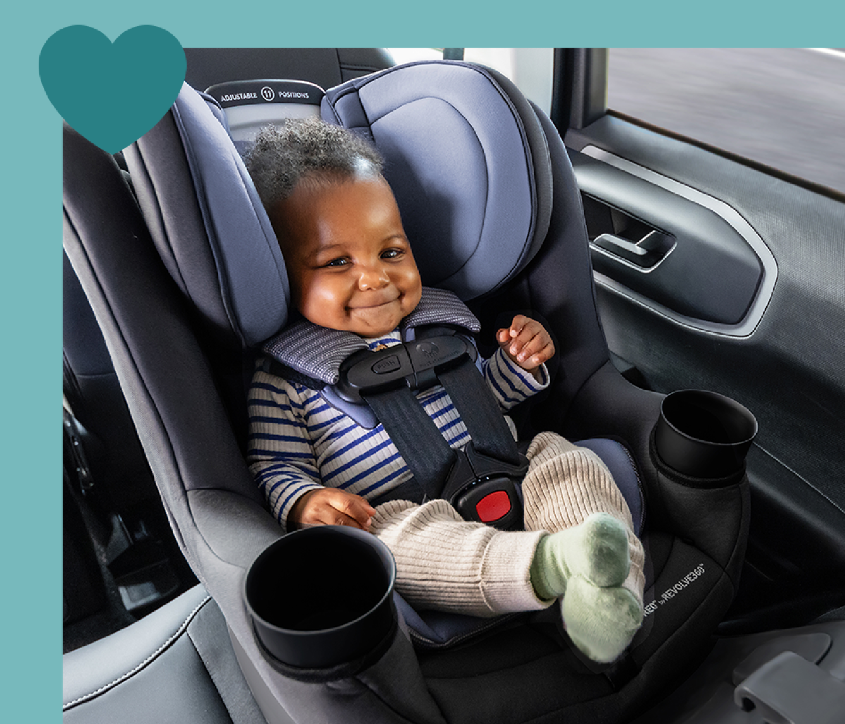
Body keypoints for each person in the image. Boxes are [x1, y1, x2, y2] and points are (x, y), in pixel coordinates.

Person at [243, 119, 642, 663]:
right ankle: (547, 565)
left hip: (506, 468)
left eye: (391, 251)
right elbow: (275, 465)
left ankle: (607, 587)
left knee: (559, 453)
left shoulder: (444, 325)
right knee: (387, 544)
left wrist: (517, 364)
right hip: (401, 512)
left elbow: (486, 400)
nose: (375, 278)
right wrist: (306, 502)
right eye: (337, 262)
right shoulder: (288, 376)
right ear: (281, 276)